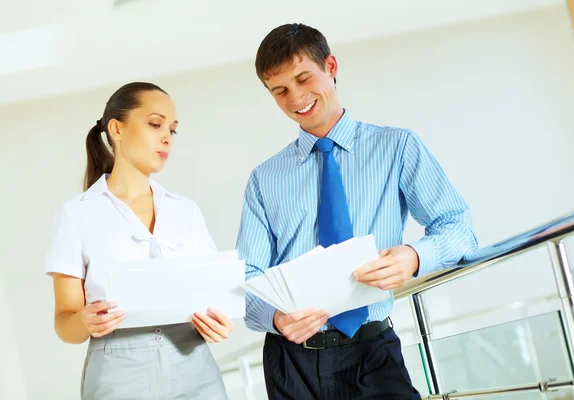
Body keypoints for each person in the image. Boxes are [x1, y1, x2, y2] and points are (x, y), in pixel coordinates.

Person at [236, 24, 478, 399]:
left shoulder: (397, 147)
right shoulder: (264, 179)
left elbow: (458, 227)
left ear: (330, 66)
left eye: (303, 78)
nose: (296, 97)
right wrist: (275, 317)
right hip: (290, 362)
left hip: (373, 352)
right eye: (280, 90)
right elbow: (247, 275)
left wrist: (416, 256)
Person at [45, 82, 233, 400]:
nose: (166, 139)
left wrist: (218, 324)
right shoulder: (77, 214)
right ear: (117, 129)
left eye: (172, 130)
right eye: (155, 124)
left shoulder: (185, 210)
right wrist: (85, 321)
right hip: (118, 379)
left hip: (196, 373)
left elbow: (214, 297)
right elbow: (65, 324)